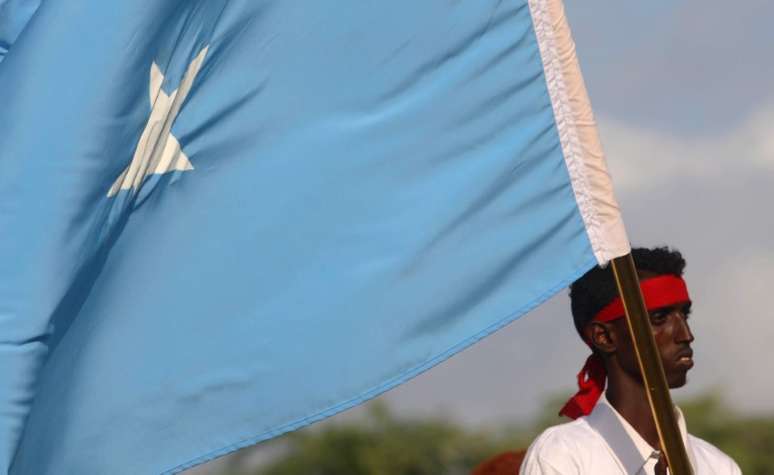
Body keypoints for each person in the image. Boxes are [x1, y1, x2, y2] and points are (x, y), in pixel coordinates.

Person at [520, 247, 741, 474]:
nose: (686, 335)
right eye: (659, 318)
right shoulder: (562, 455)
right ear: (604, 337)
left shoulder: (719, 467)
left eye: (684, 315)